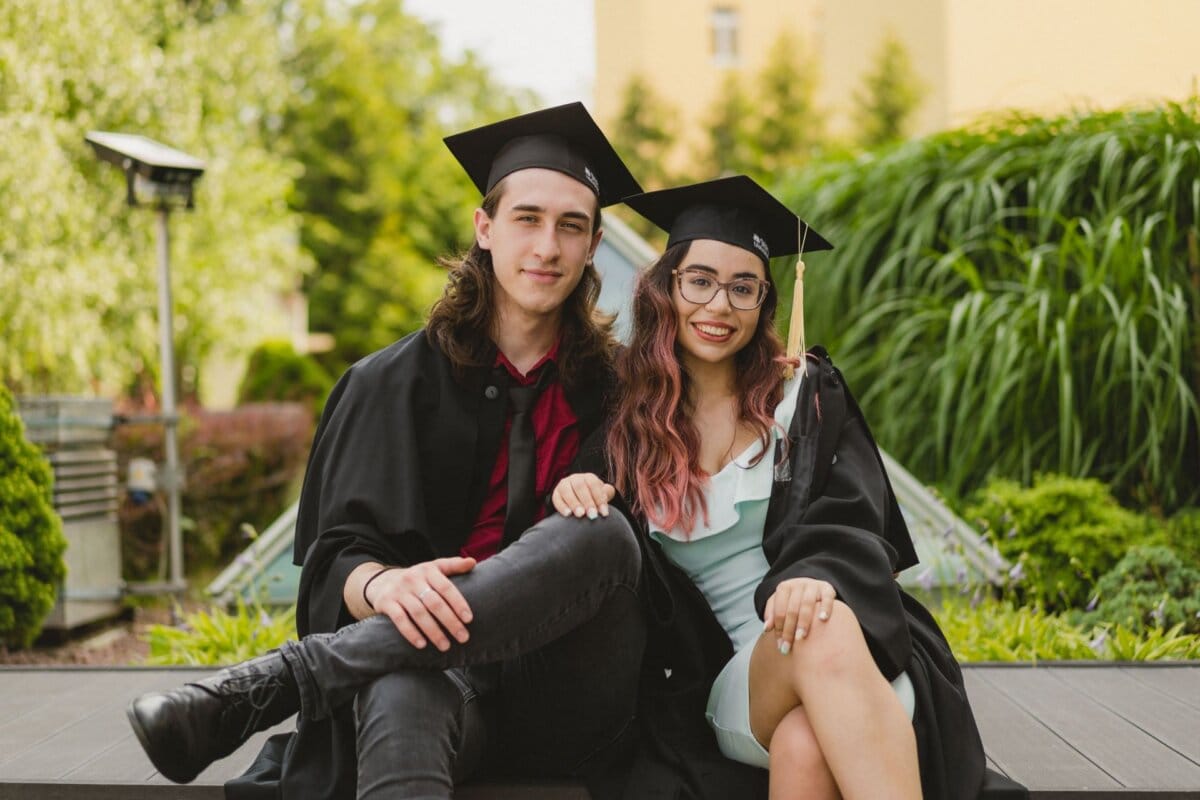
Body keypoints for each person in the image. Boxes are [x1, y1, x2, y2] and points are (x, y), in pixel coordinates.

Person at [126, 103, 648, 800]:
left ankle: (271, 687)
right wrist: (382, 584)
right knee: (403, 685)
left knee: (602, 533)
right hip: (440, 681)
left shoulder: (627, 389)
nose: (547, 247)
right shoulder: (386, 385)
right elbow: (334, 557)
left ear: (592, 245)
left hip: (570, 692)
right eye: (527, 219)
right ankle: (314, 678)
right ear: (484, 228)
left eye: (571, 226)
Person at [551, 175, 990, 799]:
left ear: (764, 302)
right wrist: (578, 490)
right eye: (699, 280)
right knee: (814, 638)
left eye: (742, 288)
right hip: (736, 677)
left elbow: (856, 518)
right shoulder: (624, 422)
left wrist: (819, 574)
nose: (720, 305)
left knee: (806, 736)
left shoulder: (802, 398)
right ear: (665, 288)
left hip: (853, 652)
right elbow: (589, 510)